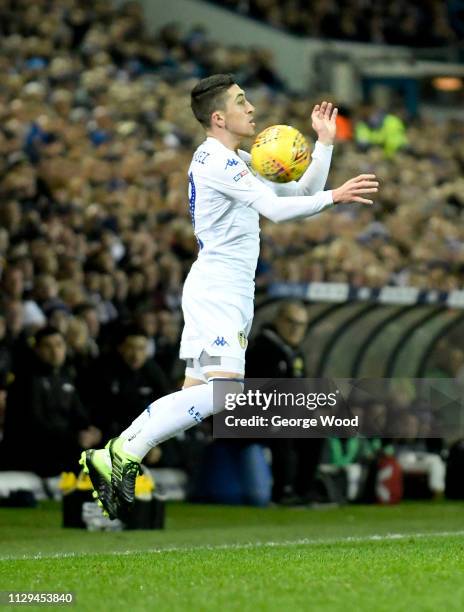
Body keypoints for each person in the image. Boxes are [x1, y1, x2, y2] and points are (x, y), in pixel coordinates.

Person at [81, 73, 379, 520]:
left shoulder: (235, 160)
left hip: (226, 289)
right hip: (219, 288)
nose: (251, 109)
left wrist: (324, 146)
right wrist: (335, 197)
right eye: (242, 102)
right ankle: (121, 450)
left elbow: (296, 193)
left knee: (197, 395)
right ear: (219, 117)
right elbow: (279, 211)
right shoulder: (214, 161)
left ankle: (119, 455)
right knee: (223, 395)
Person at [246, 301, 325, 504]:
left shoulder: (294, 352)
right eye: (292, 322)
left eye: (301, 324)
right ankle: (283, 491)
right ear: (279, 321)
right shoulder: (262, 348)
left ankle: (304, 490)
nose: (296, 329)